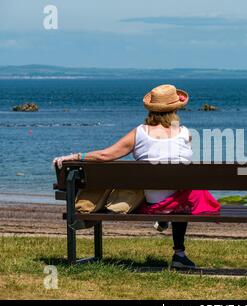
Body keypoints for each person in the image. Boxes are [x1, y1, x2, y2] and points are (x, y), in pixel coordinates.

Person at [53, 84, 220, 269]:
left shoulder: (139, 133)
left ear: (151, 109)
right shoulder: (185, 134)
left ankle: (164, 217)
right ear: (175, 109)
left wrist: (76, 156)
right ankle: (179, 254)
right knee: (188, 190)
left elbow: (105, 156)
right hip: (179, 203)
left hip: (151, 202)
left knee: (163, 189)